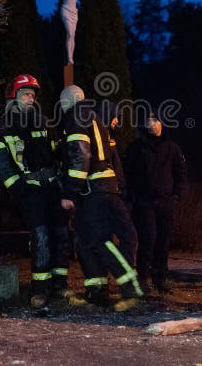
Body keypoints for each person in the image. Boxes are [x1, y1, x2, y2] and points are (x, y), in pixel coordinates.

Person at [59, 85, 143, 311]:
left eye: (63, 102)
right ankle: (97, 293)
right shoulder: (95, 116)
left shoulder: (75, 117)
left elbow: (81, 155)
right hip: (106, 187)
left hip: (93, 190)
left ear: (68, 101)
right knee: (86, 241)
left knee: (100, 241)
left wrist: (69, 191)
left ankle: (131, 289)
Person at [0, 74, 71, 308]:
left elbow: (59, 153)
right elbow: (3, 164)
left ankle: (61, 286)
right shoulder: (5, 128)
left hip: (53, 187)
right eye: (25, 94)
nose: (30, 98)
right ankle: (40, 290)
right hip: (30, 191)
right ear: (14, 97)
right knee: (40, 238)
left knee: (61, 235)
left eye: (32, 94)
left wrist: (64, 181)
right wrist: (20, 189)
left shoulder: (44, 122)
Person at [124, 114, 188, 294]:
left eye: (155, 121)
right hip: (144, 203)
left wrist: (176, 196)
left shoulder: (172, 147)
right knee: (148, 239)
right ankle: (142, 278)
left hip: (166, 202)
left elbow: (181, 173)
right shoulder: (136, 148)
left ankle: (160, 278)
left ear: (161, 124)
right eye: (148, 122)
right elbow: (129, 174)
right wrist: (132, 198)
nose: (151, 124)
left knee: (163, 241)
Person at [33, 0, 99, 65]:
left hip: (74, 13)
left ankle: (71, 57)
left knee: (72, 36)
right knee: (70, 33)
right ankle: (69, 56)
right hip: (66, 12)